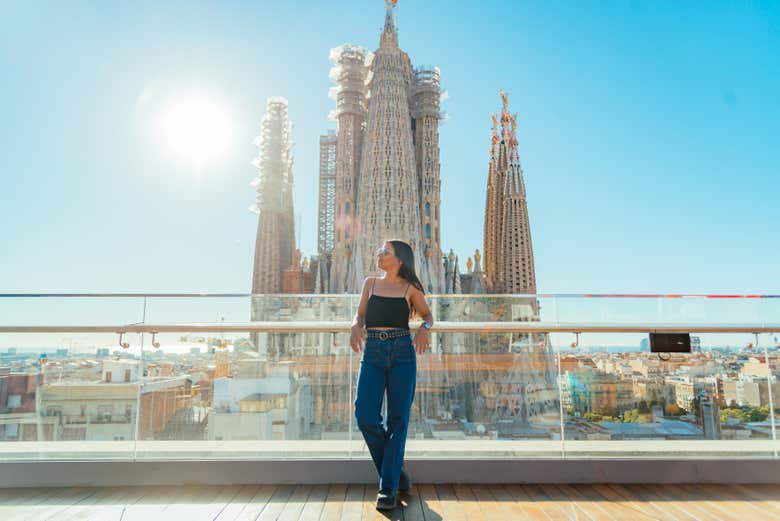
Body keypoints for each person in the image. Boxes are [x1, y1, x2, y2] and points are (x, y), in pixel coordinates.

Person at [350, 239, 434, 510]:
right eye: (379, 250)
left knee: (398, 420)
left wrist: (424, 328)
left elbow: (428, 315)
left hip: (402, 351)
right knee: (364, 414)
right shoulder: (370, 283)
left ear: (399, 260)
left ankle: (387, 489)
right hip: (373, 350)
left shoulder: (411, 288)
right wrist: (354, 325)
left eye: (385, 252)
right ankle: (395, 472)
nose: (379, 254)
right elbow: (360, 314)